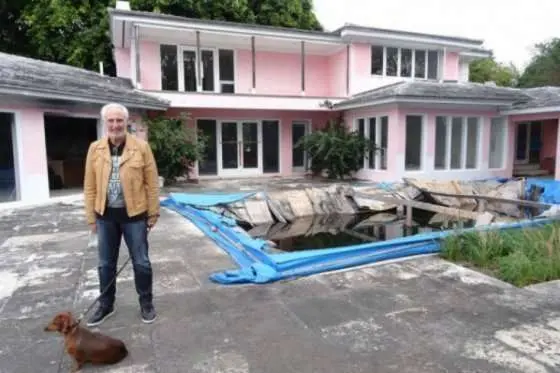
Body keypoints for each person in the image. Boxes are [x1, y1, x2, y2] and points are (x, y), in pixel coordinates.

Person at [83, 102, 160, 326]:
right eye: (111, 120)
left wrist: (153, 213)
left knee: (142, 263)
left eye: (119, 120)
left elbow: (152, 183)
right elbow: (89, 186)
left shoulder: (141, 148)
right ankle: (106, 305)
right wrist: (91, 217)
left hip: (135, 216)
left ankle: (146, 303)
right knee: (105, 264)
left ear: (126, 122)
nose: (115, 125)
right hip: (105, 216)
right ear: (105, 122)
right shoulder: (94, 149)